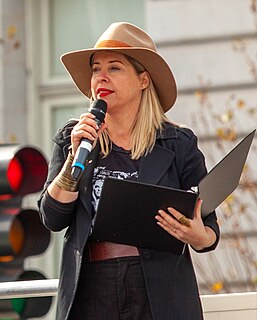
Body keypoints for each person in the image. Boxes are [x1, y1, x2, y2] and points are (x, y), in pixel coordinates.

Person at [38, 22, 220, 320]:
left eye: (114, 68)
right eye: (96, 69)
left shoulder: (177, 143)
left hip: (159, 290)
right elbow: (52, 217)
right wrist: (74, 157)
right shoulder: (74, 138)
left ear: (143, 80)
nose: (101, 77)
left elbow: (209, 227)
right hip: (93, 288)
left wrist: (198, 236)